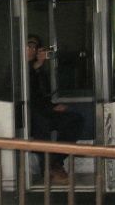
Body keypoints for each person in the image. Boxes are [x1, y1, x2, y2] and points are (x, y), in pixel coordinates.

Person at [26, 33, 83, 183]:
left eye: (35, 48)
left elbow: (43, 95)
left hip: (42, 111)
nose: (32, 50)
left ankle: (56, 160)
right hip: (25, 114)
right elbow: (22, 91)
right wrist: (34, 67)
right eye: (29, 46)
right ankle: (48, 169)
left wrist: (53, 107)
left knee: (74, 119)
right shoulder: (16, 69)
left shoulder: (38, 70)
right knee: (41, 122)